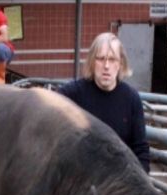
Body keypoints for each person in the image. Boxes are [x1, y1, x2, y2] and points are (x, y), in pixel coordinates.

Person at [57, 33, 150, 173]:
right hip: (83, 179)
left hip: (118, 181)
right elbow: (47, 103)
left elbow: (141, 150)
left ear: (120, 64)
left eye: (112, 60)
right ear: (92, 62)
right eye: (101, 59)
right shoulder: (74, 93)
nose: (106, 66)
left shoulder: (131, 99)